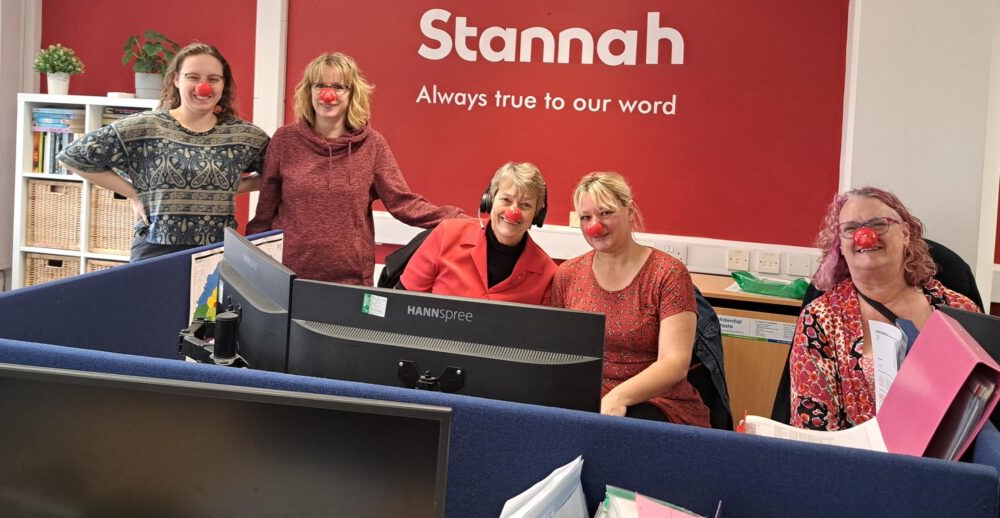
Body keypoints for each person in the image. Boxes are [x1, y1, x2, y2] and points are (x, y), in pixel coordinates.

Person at [245, 51, 464, 285]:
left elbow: (404, 203)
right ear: (309, 91)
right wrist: (250, 264)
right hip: (288, 276)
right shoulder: (285, 140)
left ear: (352, 94)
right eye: (319, 85)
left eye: (339, 87)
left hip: (350, 280)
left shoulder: (373, 145)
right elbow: (265, 212)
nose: (328, 94)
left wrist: (461, 220)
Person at [789, 186, 981, 431]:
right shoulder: (819, 318)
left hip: (945, 450)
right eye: (851, 228)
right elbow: (813, 423)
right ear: (840, 245)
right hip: (856, 453)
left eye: (879, 224)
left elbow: (981, 402)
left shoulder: (959, 310)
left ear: (905, 233)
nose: (865, 235)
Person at [59, 43, 269, 260]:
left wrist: (228, 188)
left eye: (213, 79)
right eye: (193, 77)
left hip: (216, 251)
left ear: (223, 84)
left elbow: (278, 174)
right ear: (176, 80)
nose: (203, 86)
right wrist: (134, 193)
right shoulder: (145, 126)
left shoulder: (245, 136)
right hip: (154, 249)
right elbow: (71, 156)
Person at [551, 172, 709, 426]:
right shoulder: (567, 275)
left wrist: (618, 397)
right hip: (589, 400)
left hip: (658, 401)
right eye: (586, 217)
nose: (594, 226)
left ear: (630, 211)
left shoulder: (668, 274)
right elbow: (560, 351)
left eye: (606, 213)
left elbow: (675, 362)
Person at [398, 162, 555, 304]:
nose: (513, 212)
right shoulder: (446, 235)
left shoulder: (547, 274)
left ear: (537, 215)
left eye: (525, 205)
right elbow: (403, 303)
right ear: (489, 201)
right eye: (506, 200)